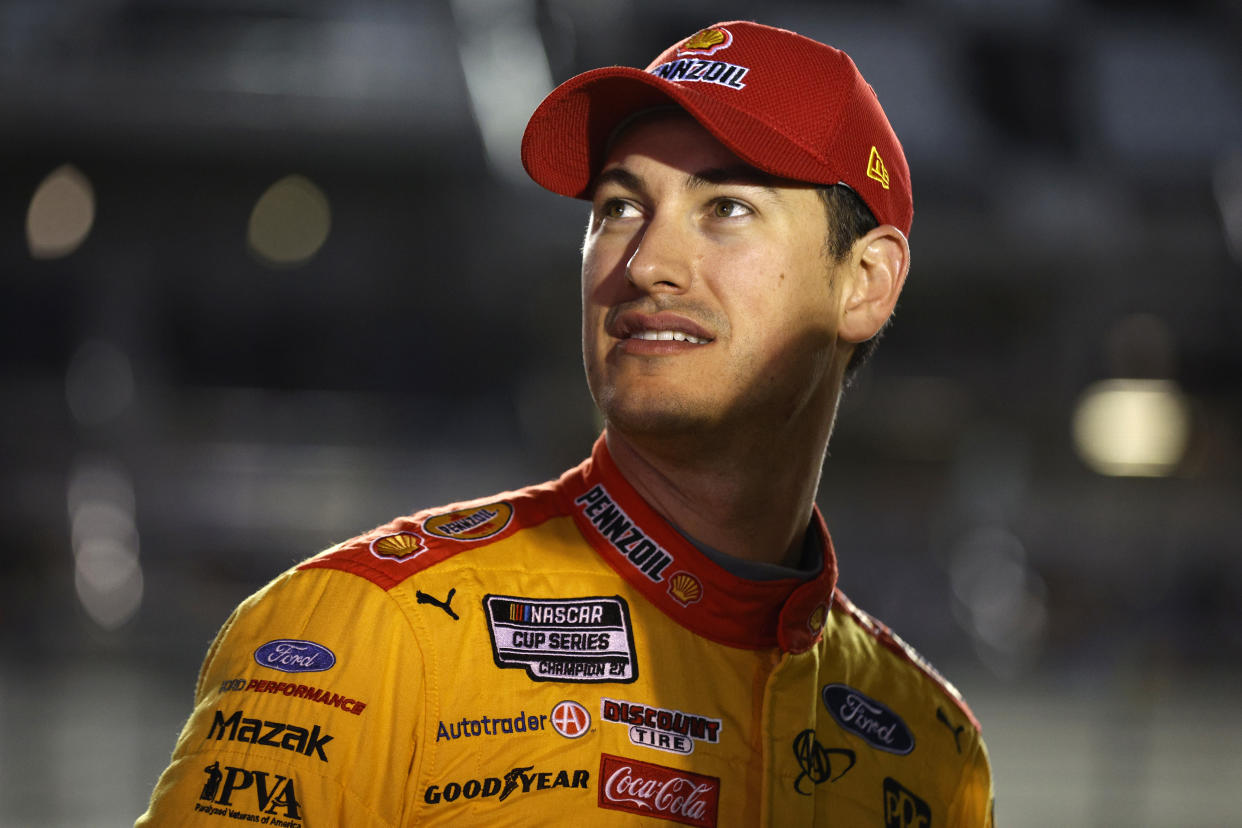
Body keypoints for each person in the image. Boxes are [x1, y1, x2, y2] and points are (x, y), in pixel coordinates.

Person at [137, 20, 994, 827]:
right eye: (618, 207)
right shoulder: (361, 634)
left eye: (727, 208)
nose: (646, 264)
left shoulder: (930, 748)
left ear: (867, 283)